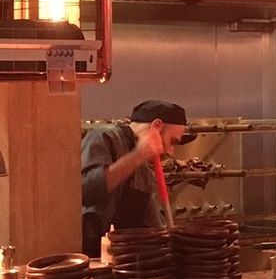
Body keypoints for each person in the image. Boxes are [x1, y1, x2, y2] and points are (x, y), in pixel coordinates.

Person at [81, 100, 192, 255]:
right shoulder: (103, 137)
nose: (170, 151)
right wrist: (137, 156)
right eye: (172, 142)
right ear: (156, 126)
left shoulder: (144, 169)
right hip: (91, 256)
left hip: (125, 261)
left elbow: (152, 222)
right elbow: (87, 190)